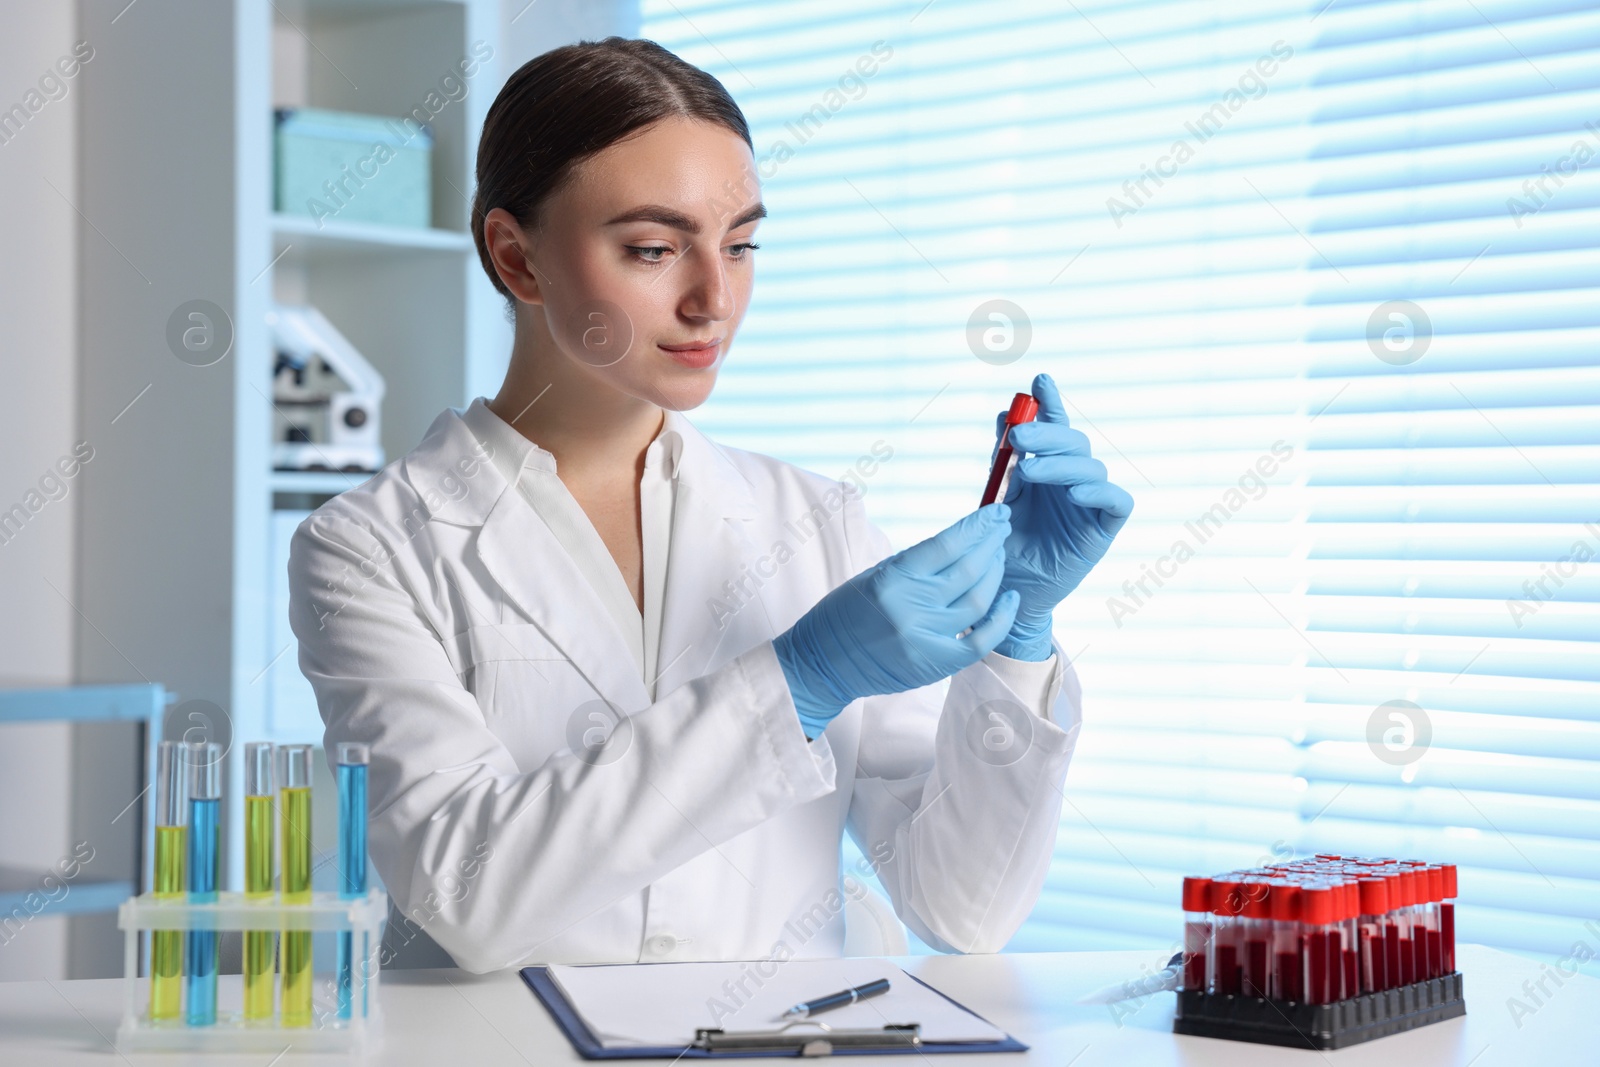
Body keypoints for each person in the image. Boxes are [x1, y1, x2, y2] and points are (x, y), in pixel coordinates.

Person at [287, 37, 1132, 974]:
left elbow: (962, 907)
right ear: (516, 258)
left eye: (741, 245)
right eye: (654, 249)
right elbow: (469, 894)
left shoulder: (819, 522)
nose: (715, 298)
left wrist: (1020, 642)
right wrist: (797, 680)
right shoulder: (368, 548)